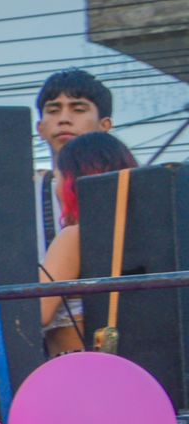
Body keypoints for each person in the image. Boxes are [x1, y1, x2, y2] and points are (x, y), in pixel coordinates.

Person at [39, 132, 138, 356]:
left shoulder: (74, 237)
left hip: (80, 371)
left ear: (72, 182)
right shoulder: (140, 234)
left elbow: (37, 310)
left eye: (58, 177)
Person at [33, 68, 114, 250]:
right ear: (40, 129)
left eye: (78, 109)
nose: (64, 119)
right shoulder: (23, 194)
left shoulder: (128, 185)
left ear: (105, 125)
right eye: (53, 110)